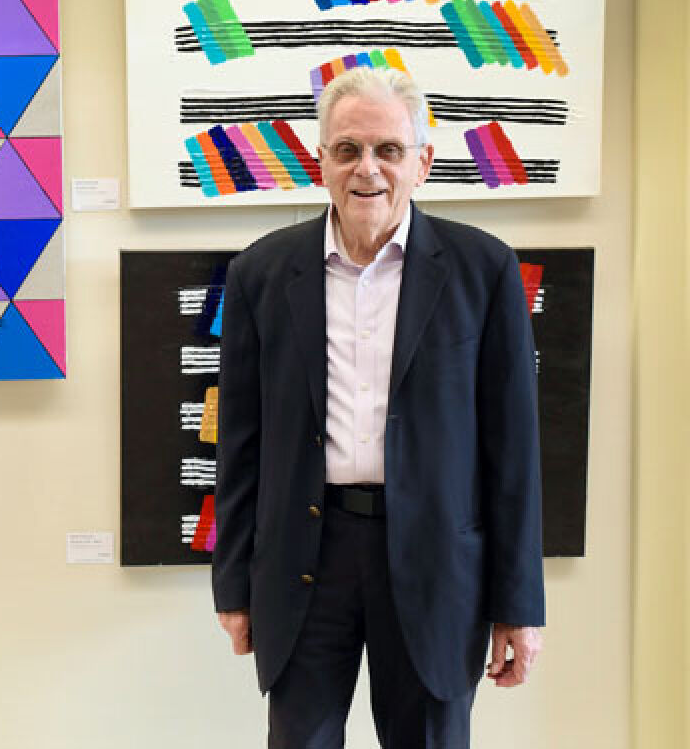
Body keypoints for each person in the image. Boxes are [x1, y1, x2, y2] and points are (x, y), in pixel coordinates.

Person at [212, 66, 545, 748]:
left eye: (389, 150)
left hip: (435, 566)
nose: (368, 169)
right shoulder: (259, 274)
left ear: (422, 162)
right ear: (320, 162)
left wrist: (519, 606)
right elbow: (240, 445)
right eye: (347, 149)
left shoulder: (485, 270)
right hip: (308, 556)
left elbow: (513, 452)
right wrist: (232, 585)